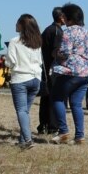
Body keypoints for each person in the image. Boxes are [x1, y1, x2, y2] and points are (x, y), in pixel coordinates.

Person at [50, 3, 88, 145]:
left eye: (63, 15)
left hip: (72, 71)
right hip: (86, 72)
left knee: (57, 98)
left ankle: (63, 131)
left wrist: (56, 53)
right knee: (76, 104)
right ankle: (79, 136)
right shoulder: (86, 32)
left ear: (67, 17)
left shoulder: (68, 32)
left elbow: (65, 52)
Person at [5, 14, 43, 150]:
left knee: (21, 111)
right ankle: (22, 140)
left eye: (17, 23)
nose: (15, 25)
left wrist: (6, 60)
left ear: (22, 26)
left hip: (20, 79)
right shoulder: (37, 42)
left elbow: (11, 62)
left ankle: (27, 139)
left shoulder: (15, 41)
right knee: (25, 111)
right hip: (35, 78)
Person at [37, 7, 64, 135]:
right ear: (60, 17)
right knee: (54, 97)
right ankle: (53, 126)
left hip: (46, 68)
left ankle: (43, 124)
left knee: (46, 97)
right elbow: (55, 52)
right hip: (52, 69)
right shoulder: (57, 31)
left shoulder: (48, 29)